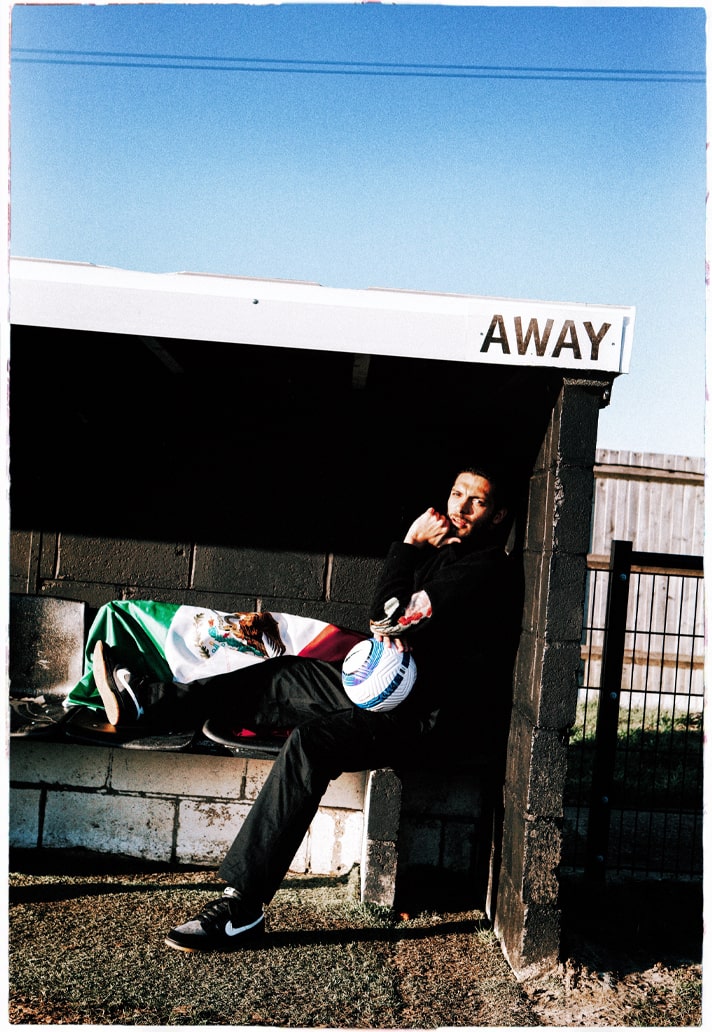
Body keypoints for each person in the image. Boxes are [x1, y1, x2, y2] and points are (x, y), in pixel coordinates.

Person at [91, 465, 522, 953]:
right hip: (387, 689)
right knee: (278, 674)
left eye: (477, 501)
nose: (460, 507)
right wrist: (396, 613)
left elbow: (387, 617)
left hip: (424, 718)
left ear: (498, 515)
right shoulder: (447, 556)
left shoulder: (485, 568)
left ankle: (242, 908)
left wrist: (407, 545)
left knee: (311, 743)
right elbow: (388, 621)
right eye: (457, 493)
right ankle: (145, 704)